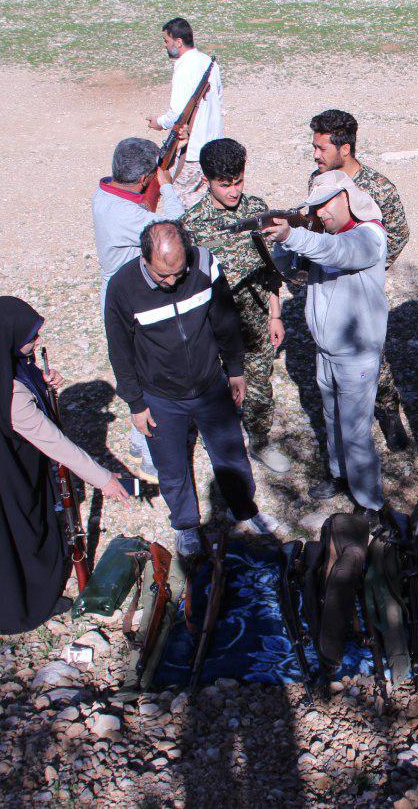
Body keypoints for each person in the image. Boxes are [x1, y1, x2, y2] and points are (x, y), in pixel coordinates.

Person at [0, 297, 131, 634]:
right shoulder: (11, 397)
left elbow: (20, 379)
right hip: (6, 476)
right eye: (31, 337)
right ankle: (22, 606)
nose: (37, 342)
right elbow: (55, 443)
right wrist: (103, 479)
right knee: (17, 533)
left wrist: (39, 382)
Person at [104, 221, 261, 557]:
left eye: (179, 273)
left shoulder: (203, 264)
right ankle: (186, 526)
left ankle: (244, 510)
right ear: (144, 258)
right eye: (163, 276)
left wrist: (235, 370)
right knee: (172, 467)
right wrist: (135, 403)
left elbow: (226, 320)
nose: (173, 282)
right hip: (160, 396)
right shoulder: (122, 287)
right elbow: (120, 350)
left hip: (210, 385)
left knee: (231, 453)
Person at [261, 171, 389, 514]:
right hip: (326, 350)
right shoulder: (322, 236)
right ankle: (339, 474)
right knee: (332, 418)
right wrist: (283, 241)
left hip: (356, 355)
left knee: (356, 434)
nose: (321, 212)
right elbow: (289, 270)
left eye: (326, 203)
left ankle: (370, 502)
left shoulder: (369, 236)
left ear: (347, 196)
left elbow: (339, 253)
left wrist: (295, 234)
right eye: (315, 207)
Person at [181, 137, 291, 475]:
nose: (233, 191)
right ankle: (222, 446)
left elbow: (270, 268)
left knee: (259, 387)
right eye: (224, 184)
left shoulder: (256, 209)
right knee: (218, 391)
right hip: (215, 329)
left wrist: (275, 314)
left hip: (256, 322)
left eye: (238, 181)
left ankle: (260, 441)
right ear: (206, 180)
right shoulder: (192, 225)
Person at [308, 109, 412, 451]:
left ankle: (388, 411)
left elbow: (398, 233)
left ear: (345, 149)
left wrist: (373, 267)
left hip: (362, 287)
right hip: (329, 284)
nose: (316, 155)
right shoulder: (319, 179)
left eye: (322, 148)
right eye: (315, 147)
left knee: (371, 354)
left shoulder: (379, 188)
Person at [92, 136, 188, 484]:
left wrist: (173, 159)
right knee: (149, 375)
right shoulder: (127, 215)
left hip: (120, 291)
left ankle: (137, 440)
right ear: (146, 177)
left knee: (135, 368)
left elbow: (149, 197)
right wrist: (169, 187)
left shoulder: (104, 193)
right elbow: (176, 229)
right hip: (132, 297)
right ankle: (152, 456)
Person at [145, 17, 223, 208]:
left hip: (194, 150)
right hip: (215, 147)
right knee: (208, 200)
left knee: (178, 200)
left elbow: (177, 114)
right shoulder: (208, 63)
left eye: (166, 40)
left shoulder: (184, 66)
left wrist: (159, 122)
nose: (165, 45)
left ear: (178, 42)